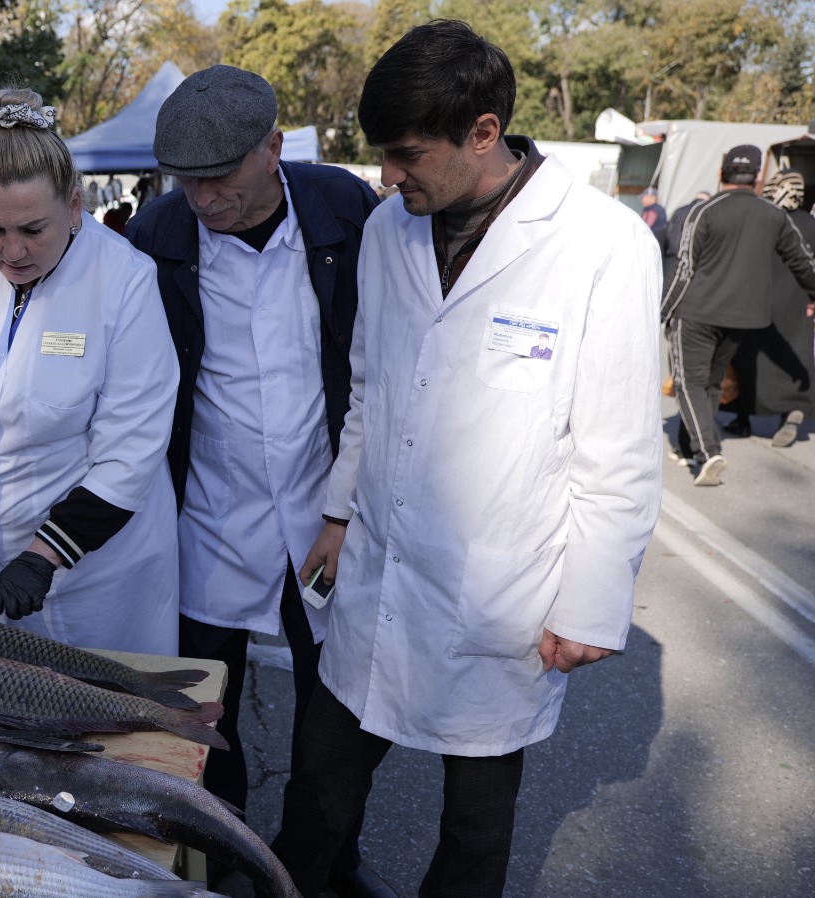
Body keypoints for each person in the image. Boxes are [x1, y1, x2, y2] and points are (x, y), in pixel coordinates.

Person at [271, 21, 664, 898]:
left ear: (483, 133)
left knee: (476, 827)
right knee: (320, 784)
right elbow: (368, 389)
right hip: (378, 563)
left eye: (406, 155)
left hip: (502, 586)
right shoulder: (389, 234)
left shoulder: (602, 245)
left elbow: (621, 448)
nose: (388, 178)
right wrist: (338, 514)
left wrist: (592, 604)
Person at [124, 65, 391, 898]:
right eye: (188, 182)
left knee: (336, 713)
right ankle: (221, 856)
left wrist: (349, 508)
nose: (205, 201)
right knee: (205, 713)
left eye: (222, 178)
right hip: (211, 514)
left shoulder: (343, 210)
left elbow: (380, 358)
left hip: (324, 513)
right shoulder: (158, 236)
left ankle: (324, 864)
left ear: (273, 147)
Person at [0, 87, 180, 654]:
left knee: (96, 719)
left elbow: (132, 445)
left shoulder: (124, 279)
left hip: (93, 569)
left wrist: (46, 556)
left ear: (74, 206)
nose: (11, 252)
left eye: (33, 230)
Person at [662, 145, 815, 484]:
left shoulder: (704, 210)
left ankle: (707, 452)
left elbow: (684, 269)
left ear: (722, 173)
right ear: (757, 177)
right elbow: (802, 259)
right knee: (710, 382)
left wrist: (665, 311)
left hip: (695, 312)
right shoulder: (774, 215)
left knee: (688, 382)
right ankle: (698, 447)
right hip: (741, 318)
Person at [722, 170, 815, 446]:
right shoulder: (810, 224)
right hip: (798, 307)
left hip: (755, 302)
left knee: (748, 359)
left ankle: (742, 417)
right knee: (794, 356)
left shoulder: (763, 218)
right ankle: (792, 411)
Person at [660, 190, 710, 290]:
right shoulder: (707, 211)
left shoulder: (680, 210)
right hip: (695, 261)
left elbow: (669, 233)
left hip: (673, 258)